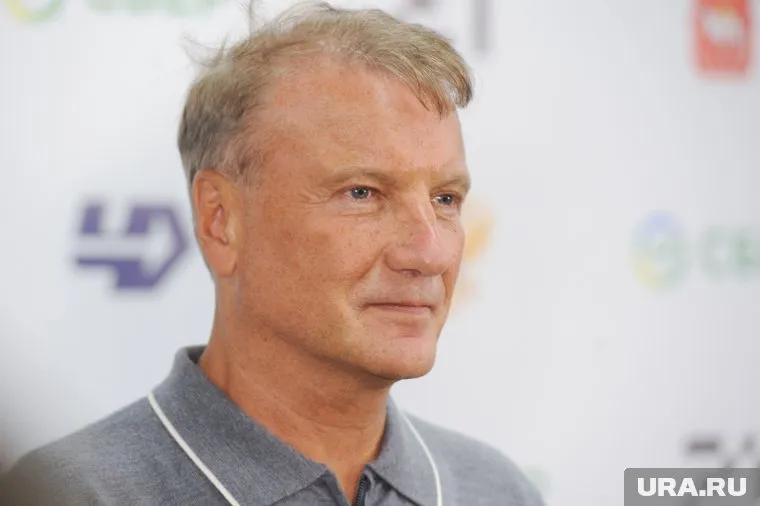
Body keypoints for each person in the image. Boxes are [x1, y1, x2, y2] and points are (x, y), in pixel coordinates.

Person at [1, 2, 544, 505]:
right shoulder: (68, 494)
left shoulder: (496, 491)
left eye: (445, 199)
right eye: (362, 193)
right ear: (220, 220)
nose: (430, 252)